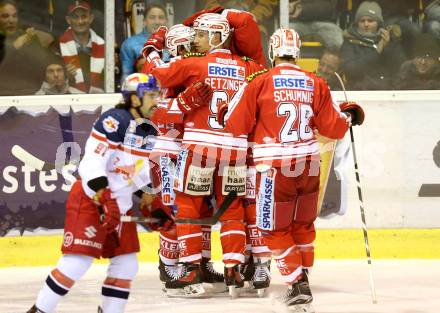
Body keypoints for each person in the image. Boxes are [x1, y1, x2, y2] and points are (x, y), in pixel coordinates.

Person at [217, 28, 364, 312]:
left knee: (272, 229)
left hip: (275, 167)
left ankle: (297, 285)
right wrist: (349, 115)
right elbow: (334, 127)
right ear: (297, 52)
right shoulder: (315, 82)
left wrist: (225, 111)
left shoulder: (261, 81)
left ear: (273, 51)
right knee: (303, 225)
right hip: (309, 165)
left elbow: (236, 125)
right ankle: (303, 274)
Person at [143, 12, 266, 297]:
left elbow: (157, 75)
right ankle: (234, 268)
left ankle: (190, 270)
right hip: (234, 152)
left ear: (216, 36)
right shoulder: (248, 67)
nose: (195, 40)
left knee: (187, 205)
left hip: (199, 149)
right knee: (233, 209)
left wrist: (150, 50)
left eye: (199, 35)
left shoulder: (195, 63)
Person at [26, 73, 161, 313]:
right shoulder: (114, 120)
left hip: (118, 205)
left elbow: (137, 173)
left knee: (126, 263)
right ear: (134, 98)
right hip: (91, 200)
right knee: (77, 262)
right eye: (151, 95)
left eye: (156, 94)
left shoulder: (148, 130)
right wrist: (104, 196)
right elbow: (91, 163)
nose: (156, 100)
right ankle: (40, 310)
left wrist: (153, 203)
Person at [340, 1, 406, 90]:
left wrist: (388, 46)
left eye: (370, 21)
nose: (366, 24)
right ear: (357, 23)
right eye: (362, 21)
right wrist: (377, 52)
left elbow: (401, 67)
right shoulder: (349, 41)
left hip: (387, 91)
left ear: (378, 23)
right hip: (359, 90)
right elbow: (350, 70)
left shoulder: (389, 38)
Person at [0, 0, 49, 95]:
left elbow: (44, 66)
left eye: (14, 16)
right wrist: (15, 46)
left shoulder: (27, 36)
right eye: (5, 16)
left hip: (31, 94)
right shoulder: (20, 40)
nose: (11, 20)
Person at [56, 0, 104, 93]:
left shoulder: (104, 46)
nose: (80, 21)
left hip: (100, 100)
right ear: (68, 20)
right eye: (75, 17)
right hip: (68, 101)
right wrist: (65, 75)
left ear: (91, 18)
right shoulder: (56, 46)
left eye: (84, 16)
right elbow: (50, 83)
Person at [120, 3, 169, 82]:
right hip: (143, 91)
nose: (157, 22)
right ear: (144, 21)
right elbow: (126, 78)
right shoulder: (130, 44)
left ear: (166, 21)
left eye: (161, 17)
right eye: (152, 17)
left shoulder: (174, 44)